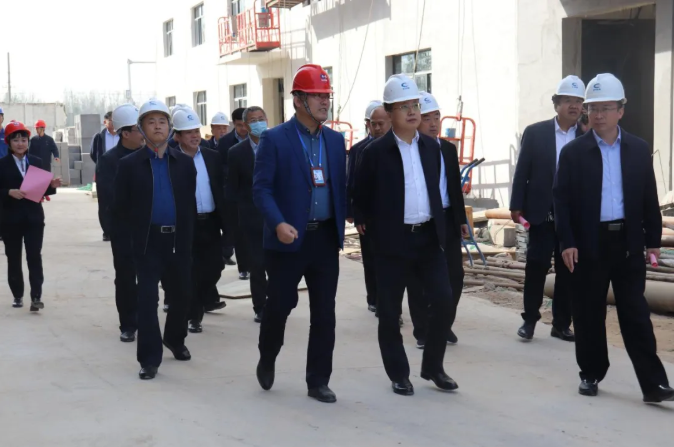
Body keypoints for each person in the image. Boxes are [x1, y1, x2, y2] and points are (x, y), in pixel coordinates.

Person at [553, 73, 674, 403]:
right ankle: (590, 373)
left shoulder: (638, 149)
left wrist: (652, 240)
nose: (598, 115)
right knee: (589, 313)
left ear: (621, 110)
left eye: (606, 108)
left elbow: (648, 197)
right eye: (593, 108)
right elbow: (561, 201)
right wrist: (567, 242)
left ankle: (653, 385)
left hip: (627, 245)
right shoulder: (574, 153)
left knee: (636, 314)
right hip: (588, 244)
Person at [354, 74, 457, 396]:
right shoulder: (375, 152)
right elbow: (360, 195)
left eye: (415, 105)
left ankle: (433, 366)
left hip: (428, 238)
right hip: (392, 242)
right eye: (403, 107)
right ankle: (399, 373)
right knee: (389, 311)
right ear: (389, 112)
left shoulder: (431, 148)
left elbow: (437, 191)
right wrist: (373, 228)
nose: (412, 112)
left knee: (443, 301)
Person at [253, 64, 346, 403]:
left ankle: (318, 381)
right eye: (317, 96)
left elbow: (341, 187)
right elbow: (261, 189)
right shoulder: (275, 139)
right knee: (279, 306)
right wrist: (278, 223)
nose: (324, 102)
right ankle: (267, 354)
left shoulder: (335, 141)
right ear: (298, 100)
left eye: (326, 96)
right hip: (287, 239)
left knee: (324, 313)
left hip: (324, 239)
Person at [112, 99, 197, 380]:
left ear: (170, 128)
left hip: (178, 242)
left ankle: (175, 338)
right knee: (147, 301)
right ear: (140, 128)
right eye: (151, 122)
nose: (157, 126)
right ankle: (149, 359)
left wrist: (189, 240)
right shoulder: (129, 165)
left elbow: (189, 206)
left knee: (182, 295)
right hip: (147, 244)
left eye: (162, 121)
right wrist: (128, 245)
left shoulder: (185, 164)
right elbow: (119, 209)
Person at [510, 75, 585, 342]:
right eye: (568, 101)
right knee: (536, 266)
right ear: (556, 104)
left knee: (568, 270)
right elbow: (522, 171)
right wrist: (516, 205)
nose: (574, 106)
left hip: (572, 218)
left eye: (578, 101)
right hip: (542, 213)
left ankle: (561, 324)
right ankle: (530, 320)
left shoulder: (587, 136)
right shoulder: (536, 133)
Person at [408, 92, 468, 349]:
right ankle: (422, 330)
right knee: (418, 279)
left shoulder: (447, 149)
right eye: (427, 118)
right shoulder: (410, 151)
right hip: (422, 220)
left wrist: (461, 219)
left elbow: (454, 187)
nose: (433, 124)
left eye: (436, 118)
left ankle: (443, 324)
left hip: (447, 218)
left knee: (455, 274)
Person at [170, 109, 229, 334]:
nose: (194, 136)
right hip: (186, 224)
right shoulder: (171, 159)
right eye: (188, 132)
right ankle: (194, 316)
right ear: (177, 136)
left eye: (196, 131)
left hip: (211, 222)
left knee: (215, 267)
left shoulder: (212, 157)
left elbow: (220, 189)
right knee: (191, 271)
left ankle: (201, 298)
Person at [0, 120, 61, 311]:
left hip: (33, 218)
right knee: (14, 257)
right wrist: (8, 192)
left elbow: (40, 190)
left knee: (34, 256)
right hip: (10, 219)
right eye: (16, 140)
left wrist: (52, 186)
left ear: (28, 141)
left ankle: (36, 296)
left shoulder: (36, 161)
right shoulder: (2, 164)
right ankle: (17, 294)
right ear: (8, 142)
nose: (20, 144)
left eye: (23, 140)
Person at [97, 104, 144, 342]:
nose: (144, 133)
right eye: (139, 129)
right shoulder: (109, 160)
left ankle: (147, 320)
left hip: (151, 228)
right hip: (125, 230)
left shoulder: (151, 155)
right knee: (126, 278)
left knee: (150, 277)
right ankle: (128, 324)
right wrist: (113, 230)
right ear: (125, 133)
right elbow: (108, 198)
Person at [228, 106, 269, 323]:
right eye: (253, 120)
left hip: (278, 217)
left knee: (278, 265)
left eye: (261, 118)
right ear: (245, 125)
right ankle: (260, 307)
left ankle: (277, 302)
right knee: (257, 265)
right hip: (251, 219)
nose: (259, 123)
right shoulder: (236, 153)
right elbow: (232, 190)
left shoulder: (279, 145)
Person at [346, 100, 384, 313]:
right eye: (373, 123)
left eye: (381, 123)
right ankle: (374, 298)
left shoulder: (397, 147)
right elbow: (352, 183)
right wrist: (355, 213)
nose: (377, 128)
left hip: (391, 214)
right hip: (368, 215)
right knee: (370, 259)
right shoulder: (359, 150)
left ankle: (388, 302)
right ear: (367, 124)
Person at [218, 107, 250, 275]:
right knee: (239, 232)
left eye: (245, 124)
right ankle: (244, 267)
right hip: (236, 193)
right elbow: (220, 165)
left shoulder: (260, 139)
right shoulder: (225, 142)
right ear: (234, 124)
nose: (243, 129)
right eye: (239, 125)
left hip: (254, 191)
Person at [91, 111, 119, 241]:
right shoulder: (99, 137)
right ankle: (107, 231)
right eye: (111, 120)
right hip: (104, 174)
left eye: (115, 120)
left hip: (121, 171)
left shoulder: (123, 135)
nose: (113, 123)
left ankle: (119, 229)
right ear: (105, 122)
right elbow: (93, 154)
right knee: (104, 203)